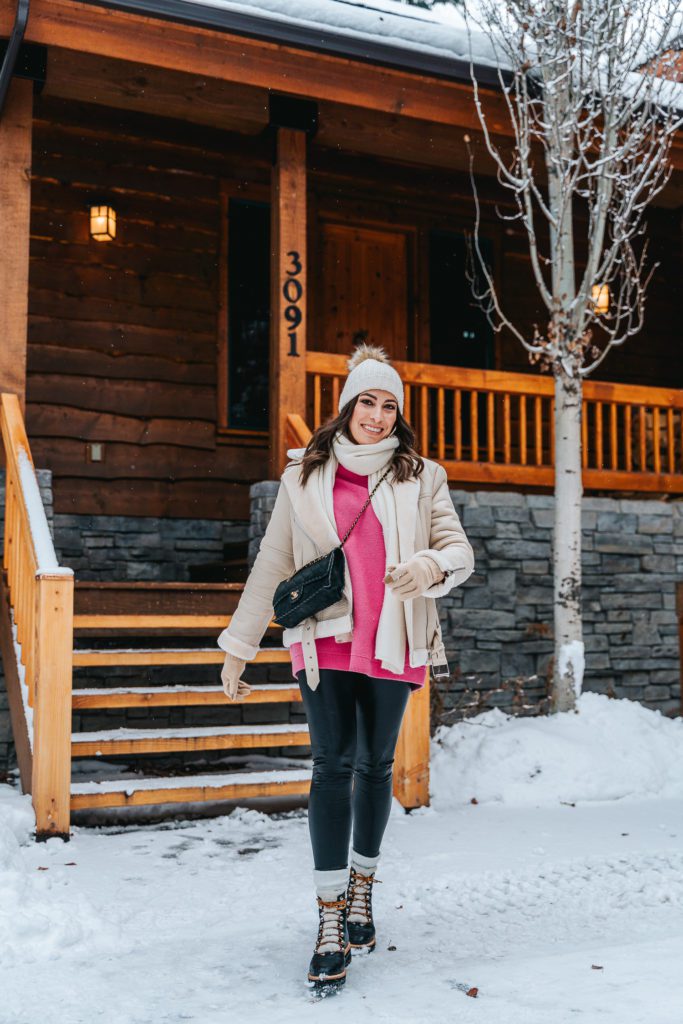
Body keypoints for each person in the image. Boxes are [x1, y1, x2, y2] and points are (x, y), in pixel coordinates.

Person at [218, 343, 474, 993]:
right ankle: (330, 919)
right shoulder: (302, 476)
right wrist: (239, 645)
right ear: (346, 407)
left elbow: (456, 551)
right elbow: (274, 562)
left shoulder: (423, 476)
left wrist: (427, 567)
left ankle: (362, 890)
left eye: (390, 405)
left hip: (395, 638)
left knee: (375, 766)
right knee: (331, 764)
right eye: (368, 401)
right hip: (323, 637)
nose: (379, 415)